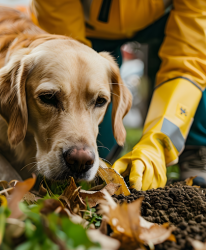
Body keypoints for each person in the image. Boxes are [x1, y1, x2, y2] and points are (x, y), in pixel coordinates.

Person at [28, 0, 206, 190]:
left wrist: (158, 144)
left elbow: (187, 62)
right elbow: (66, 59)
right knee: (99, 150)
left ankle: (195, 150)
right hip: (84, 28)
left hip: (160, 21)